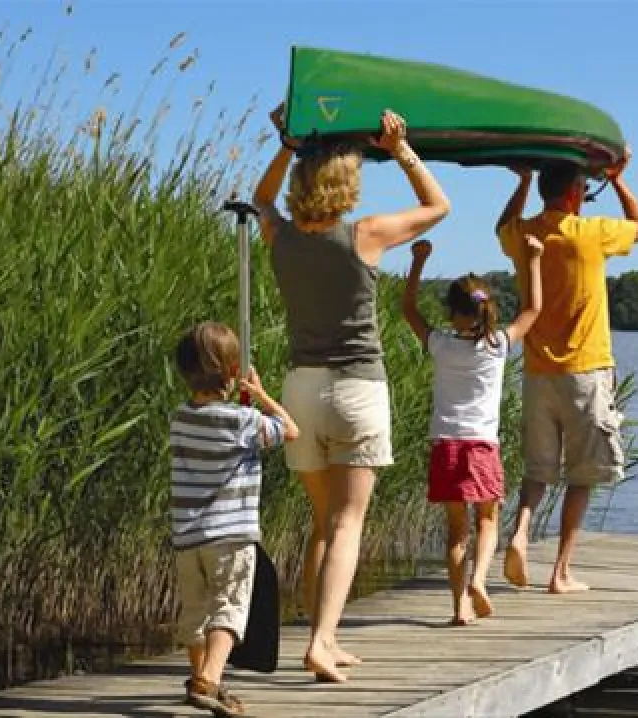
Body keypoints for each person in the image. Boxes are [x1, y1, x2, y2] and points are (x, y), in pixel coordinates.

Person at [252, 106, 451, 681]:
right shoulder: (364, 235)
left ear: (301, 182)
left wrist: (286, 146)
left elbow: (260, 200)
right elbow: (439, 207)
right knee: (347, 523)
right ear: (348, 185)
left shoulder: (280, 236)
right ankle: (319, 642)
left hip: (300, 391)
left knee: (323, 522)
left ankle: (327, 637)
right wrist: (402, 149)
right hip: (357, 388)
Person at [494, 150, 638, 594]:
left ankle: (521, 531)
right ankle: (561, 572)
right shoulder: (591, 233)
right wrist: (618, 181)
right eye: (583, 189)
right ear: (573, 194)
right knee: (583, 475)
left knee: (537, 471)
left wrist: (522, 182)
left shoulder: (527, 235)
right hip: (586, 372)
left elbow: (501, 228)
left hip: (538, 374)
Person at [401, 236, 543, 625]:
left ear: (452, 313)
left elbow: (407, 308)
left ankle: (459, 605)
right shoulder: (497, 345)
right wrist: (532, 259)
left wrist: (418, 262)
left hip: (447, 444)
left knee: (455, 531)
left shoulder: (441, 345)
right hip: (481, 446)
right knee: (488, 520)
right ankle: (479, 579)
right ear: (486, 311)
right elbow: (533, 309)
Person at [170, 322, 299, 718]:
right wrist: (261, 396)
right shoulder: (242, 421)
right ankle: (208, 678)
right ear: (231, 371)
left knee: (195, 611)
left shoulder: (180, 419)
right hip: (231, 535)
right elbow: (291, 430)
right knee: (229, 607)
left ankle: (202, 680)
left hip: (188, 536)